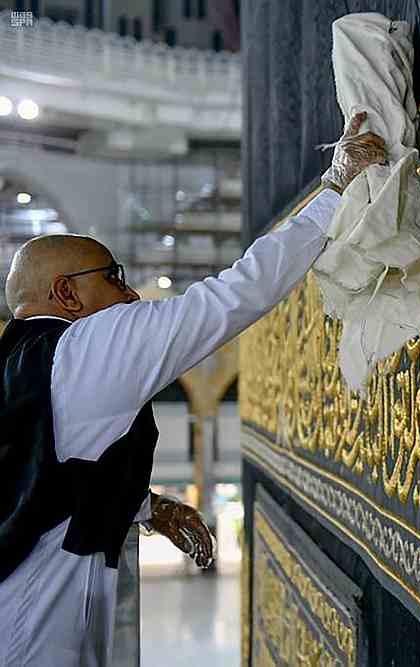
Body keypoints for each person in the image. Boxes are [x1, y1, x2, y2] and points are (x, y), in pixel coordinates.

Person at [0, 112, 385, 666]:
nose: (130, 295)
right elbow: (231, 297)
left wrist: (146, 507)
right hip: (34, 627)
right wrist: (334, 192)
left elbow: (50, 473)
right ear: (66, 293)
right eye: (113, 277)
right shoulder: (83, 349)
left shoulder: (19, 360)